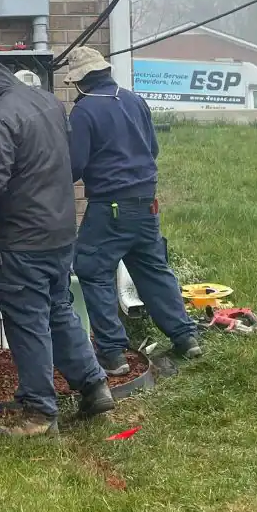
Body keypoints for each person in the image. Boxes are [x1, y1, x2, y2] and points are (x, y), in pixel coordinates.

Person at [0, 56, 115, 437]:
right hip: (60, 231)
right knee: (59, 310)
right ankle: (94, 386)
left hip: (23, 238)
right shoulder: (45, 101)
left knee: (27, 320)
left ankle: (39, 414)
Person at [64, 46, 202, 375]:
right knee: (152, 269)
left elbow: (74, 166)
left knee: (92, 269)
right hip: (147, 202)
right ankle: (186, 337)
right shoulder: (133, 100)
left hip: (110, 205)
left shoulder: (84, 111)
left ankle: (112, 354)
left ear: (80, 81)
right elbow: (152, 147)